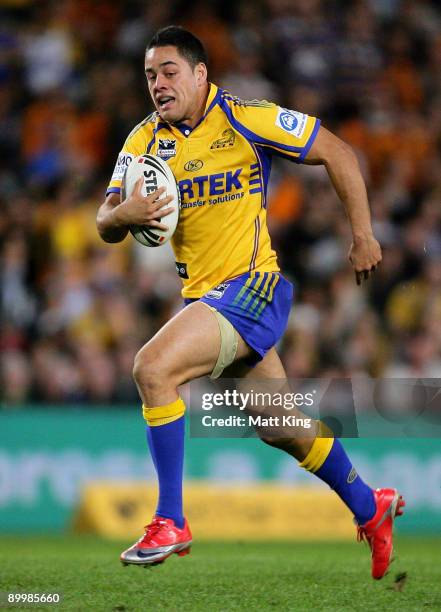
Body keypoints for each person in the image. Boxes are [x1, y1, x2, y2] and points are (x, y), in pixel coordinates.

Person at [96, 26, 404, 579]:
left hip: (253, 287)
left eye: (168, 72)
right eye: (149, 76)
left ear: (199, 74)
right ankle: (370, 506)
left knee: (152, 368)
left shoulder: (245, 117)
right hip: (208, 297)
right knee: (280, 424)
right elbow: (106, 218)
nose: (158, 85)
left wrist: (363, 235)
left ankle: (171, 520)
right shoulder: (143, 141)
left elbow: (337, 151)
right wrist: (124, 216)